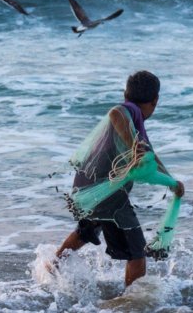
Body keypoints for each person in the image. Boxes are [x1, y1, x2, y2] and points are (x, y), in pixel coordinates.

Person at [54, 70, 185, 287]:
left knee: (87, 230)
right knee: (137, 252)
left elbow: (150, 154)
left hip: (91, 185)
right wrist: (134, 148)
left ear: (126, 92)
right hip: (107, 192)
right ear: (155, 101)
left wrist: (172, 182)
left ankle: (52, 267)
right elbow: (116, 113)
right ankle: (132, 304)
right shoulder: (130, 111)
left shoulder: (135, 123)